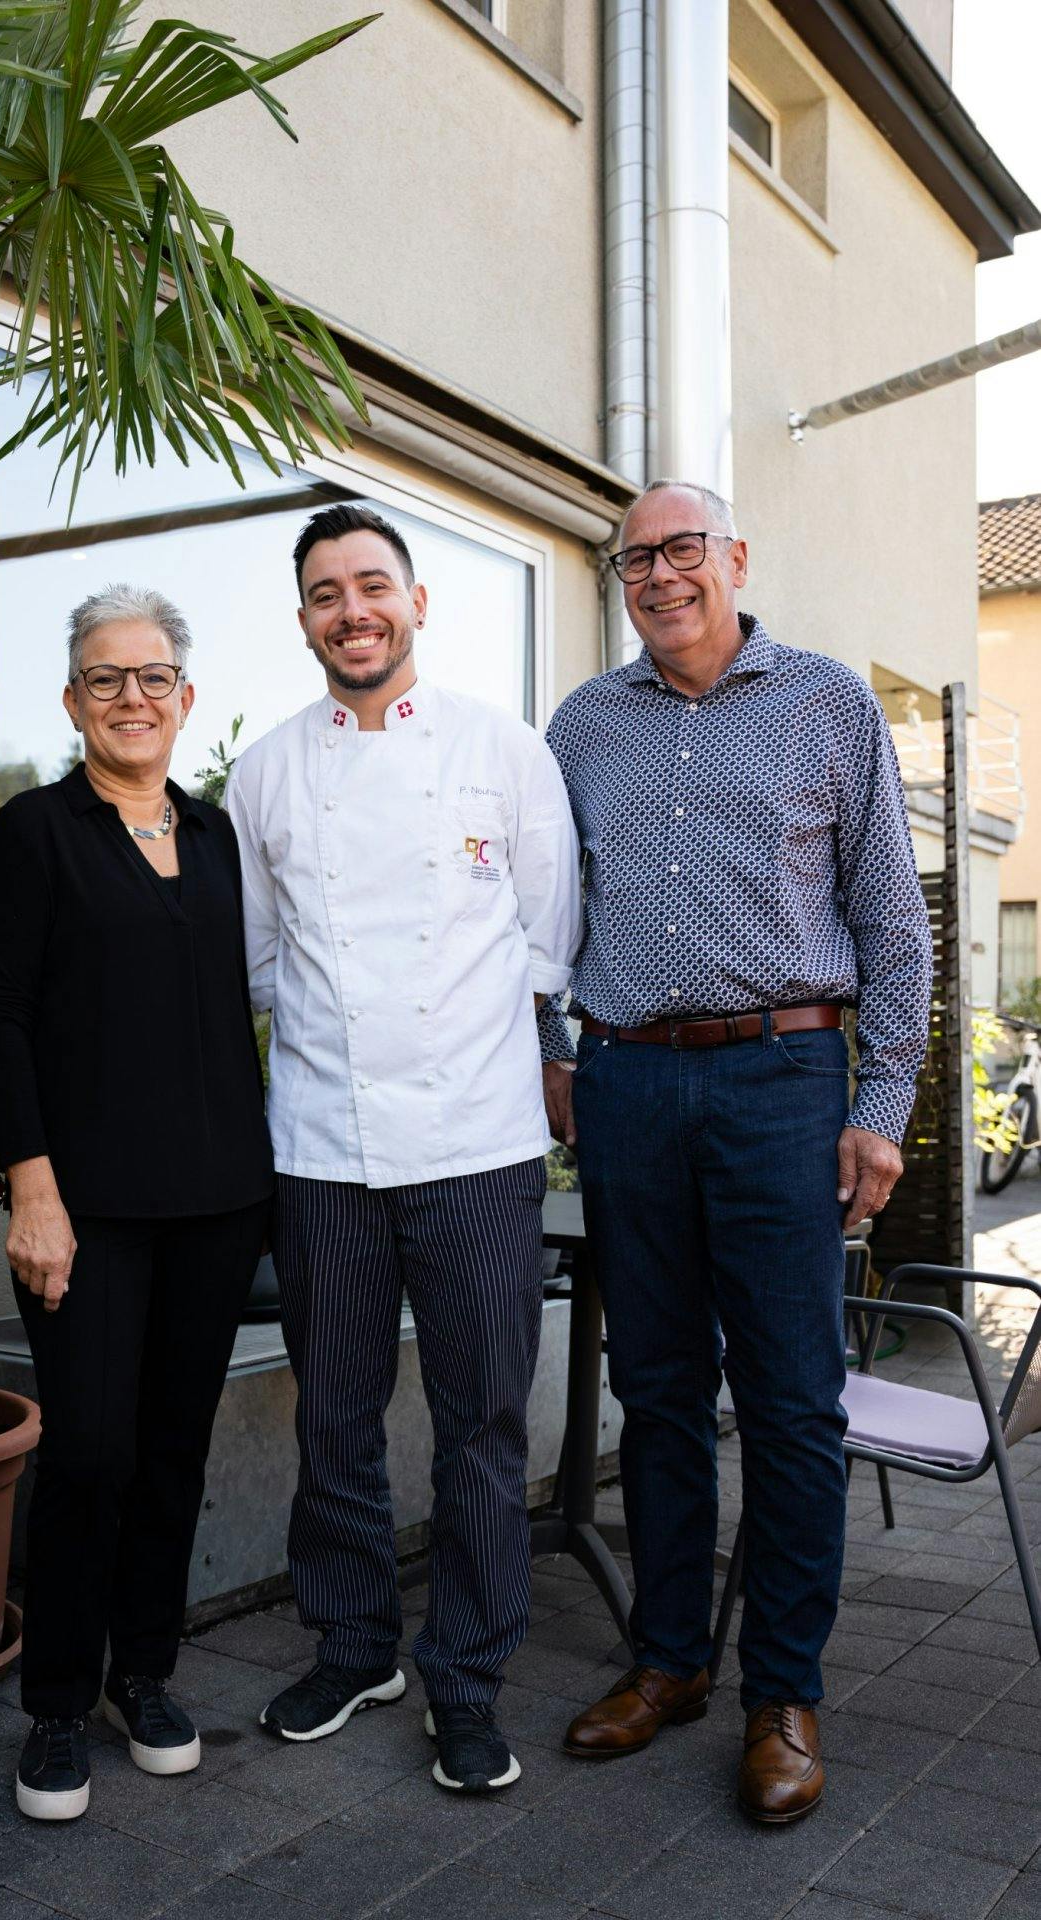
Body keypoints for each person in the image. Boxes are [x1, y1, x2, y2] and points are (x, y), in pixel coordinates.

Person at [543, 480, 932, 1824]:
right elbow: (547, 905)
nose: (657, 575)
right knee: (650, 1391)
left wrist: (876, 1113)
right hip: (630, 1084)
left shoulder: (825, 702)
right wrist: (558, 1058)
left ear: (732, 559)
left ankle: (781, 1688)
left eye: (679, 549)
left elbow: (891, 922)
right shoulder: (581, 725)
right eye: (633, 557)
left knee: (784, 1402)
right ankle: (665, 1663)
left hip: (781, 1078)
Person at [226, 503, 581, 1795]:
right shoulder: (262, 771)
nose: (350, 611)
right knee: (334, 1416)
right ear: (304, 619)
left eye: (371, 585)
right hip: (321, 1145)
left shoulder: (504, 752)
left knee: (480, 1422)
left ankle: (467, 1679)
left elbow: (545, 941)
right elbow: (259, 961)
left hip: (478, 1145)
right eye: (325, 594)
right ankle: (354, 1644)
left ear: (417, 602)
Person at [0, 585, 274, 1823]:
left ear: (185, 698)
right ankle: (54, 1701)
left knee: (171, 1449)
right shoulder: (34, 833)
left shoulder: (212, 838)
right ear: (72, 701)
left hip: (215, 1202)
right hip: (83, 1207)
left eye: (153, 678)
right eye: (106, 679)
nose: (132, 698)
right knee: (89, 1448)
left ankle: (140, 1675)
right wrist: (28, 1186)